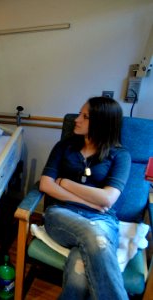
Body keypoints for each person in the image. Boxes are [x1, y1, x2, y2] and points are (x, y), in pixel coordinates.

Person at [39, 97, 131, 299]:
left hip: (103, 219)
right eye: (79, 114)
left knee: (78, 276)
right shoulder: (64, 146)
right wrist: (90, 201)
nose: (77, 119)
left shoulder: (120, 155)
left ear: (102, 122)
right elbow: (45, 184)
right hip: (61, 214)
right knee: (94, 236)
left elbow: (107, 199)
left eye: (85, 116)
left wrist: (65, 182)